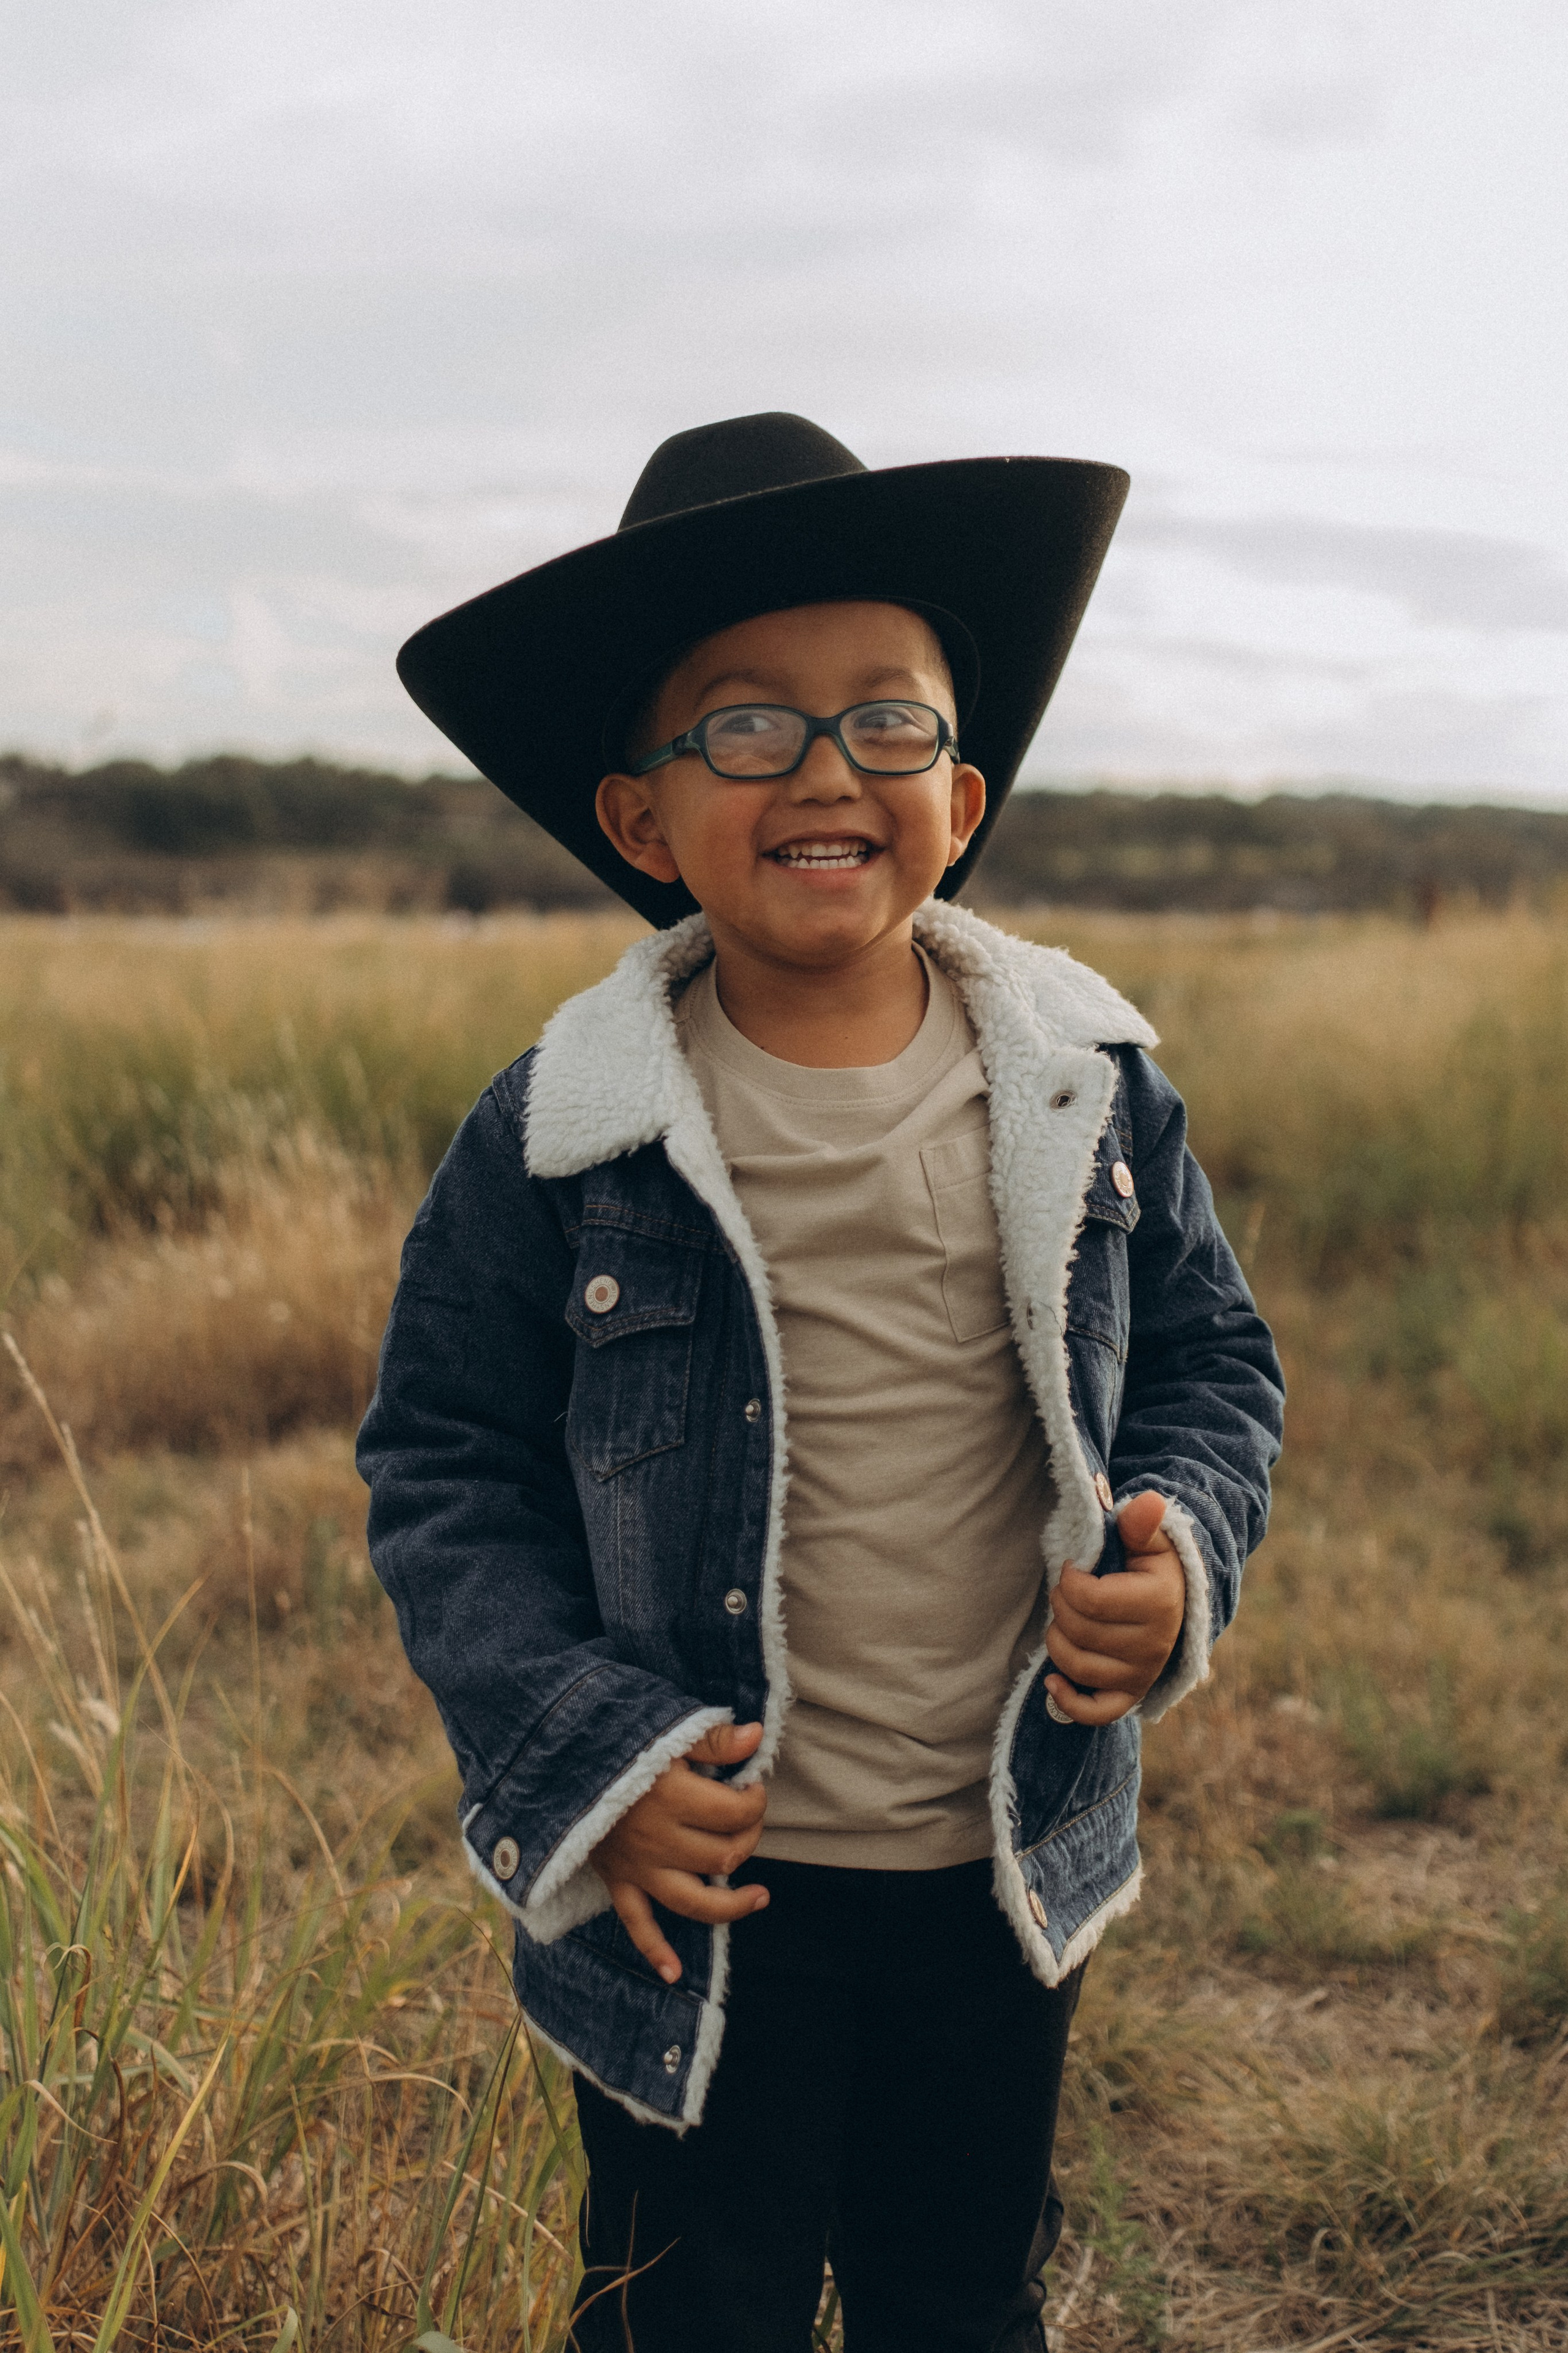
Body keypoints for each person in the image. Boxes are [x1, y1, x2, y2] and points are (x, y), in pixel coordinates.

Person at [357, 412, 1285, 2353]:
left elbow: (1212, 1357)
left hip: (996, 1854)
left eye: (887, 718)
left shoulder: (1087, 1084)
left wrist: (1181, 1546)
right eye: (749, 725)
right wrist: (587, 1759)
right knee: (694, 2310)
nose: (827, 767)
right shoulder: (564, 1132)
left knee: (961, 2295)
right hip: (701, 1880)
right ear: (642, 820)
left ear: (961, 791)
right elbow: (446, 1462)